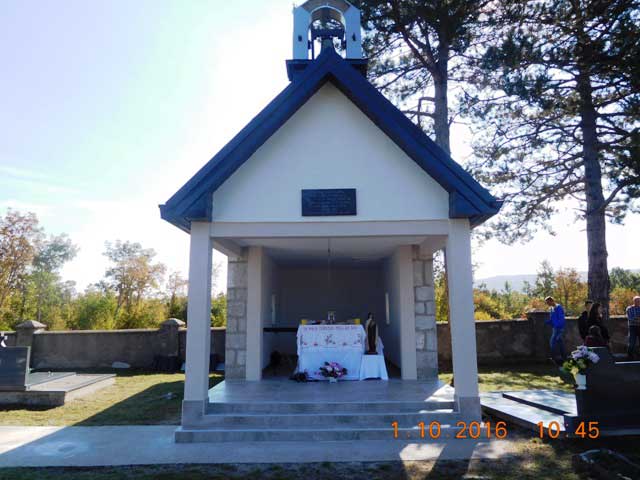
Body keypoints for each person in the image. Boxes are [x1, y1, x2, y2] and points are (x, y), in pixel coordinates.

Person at [545, 296, 566, 361]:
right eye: (547, 303)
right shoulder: (551, 309)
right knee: (560, 342)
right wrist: (546, 322)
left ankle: (553, 357)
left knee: (552, 342)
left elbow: (561, 319)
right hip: (554, 328)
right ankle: (564, 357)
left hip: (558, 328)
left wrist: (561, 328)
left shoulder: (558, 307)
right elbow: (552, 319)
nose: (547, 304)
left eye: (548, 302)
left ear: (552, 301)